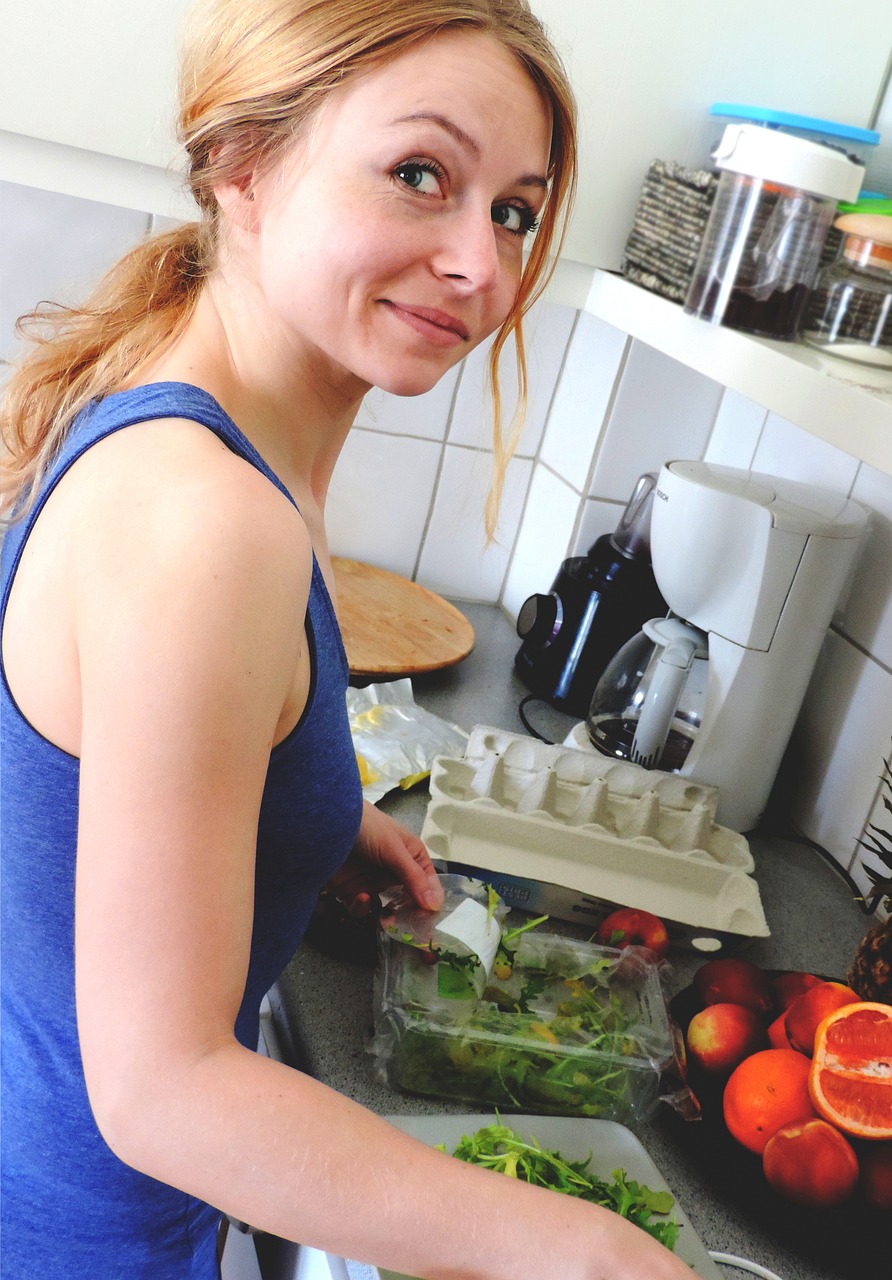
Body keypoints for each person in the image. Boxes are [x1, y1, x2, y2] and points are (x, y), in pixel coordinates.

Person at [0, 1, 694, 1276]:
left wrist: (301, 817)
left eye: (515, 210)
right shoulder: (207, 521)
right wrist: (581, 1251)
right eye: (421, 174)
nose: (482, 264)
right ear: (244, 165)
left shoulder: (201, 420)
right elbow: (160, 1089)